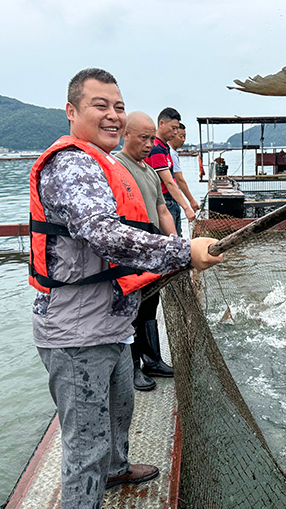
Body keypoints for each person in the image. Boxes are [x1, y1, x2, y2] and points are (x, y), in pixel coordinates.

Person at [28, 68, 222, 509]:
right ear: (72, 111)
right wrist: (182, 252)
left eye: (118, 106)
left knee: (121, 409)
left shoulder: (104, 161)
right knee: (85, 446)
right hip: (76, 335)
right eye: (100, 105)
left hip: (111, 325)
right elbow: (103, 234)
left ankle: (116, 471)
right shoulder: (72, 164)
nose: (112, 115)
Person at [115, 111, 177, 392]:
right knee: (132, 310)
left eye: (152, 138)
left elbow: (162, 209)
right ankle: (132, 369)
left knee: (151, 305)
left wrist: (176, 244)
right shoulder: (115, 167)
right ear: (125, 134)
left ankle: (153, 360)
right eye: (144, 137)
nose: (150, 143)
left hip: (152, 250)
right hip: (129, 253)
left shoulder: (150, 172)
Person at [144, 107, 193, 236]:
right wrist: (187, 207)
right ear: (161, 124)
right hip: (164, 202)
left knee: (178, 238)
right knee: (172, 242)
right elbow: (169, 182)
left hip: (171, 201)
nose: (175, 132)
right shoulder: (156, 149)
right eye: (173, 128)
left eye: (177, 129)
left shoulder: (164, 147)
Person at [168, 124, 200, 222]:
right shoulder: (171, 154)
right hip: (170, 200)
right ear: (172, 135)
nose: (183, 140)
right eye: (181, 136)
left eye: (184, 137)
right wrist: (191, 201)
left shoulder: (171, 152)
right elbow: (180, 180)